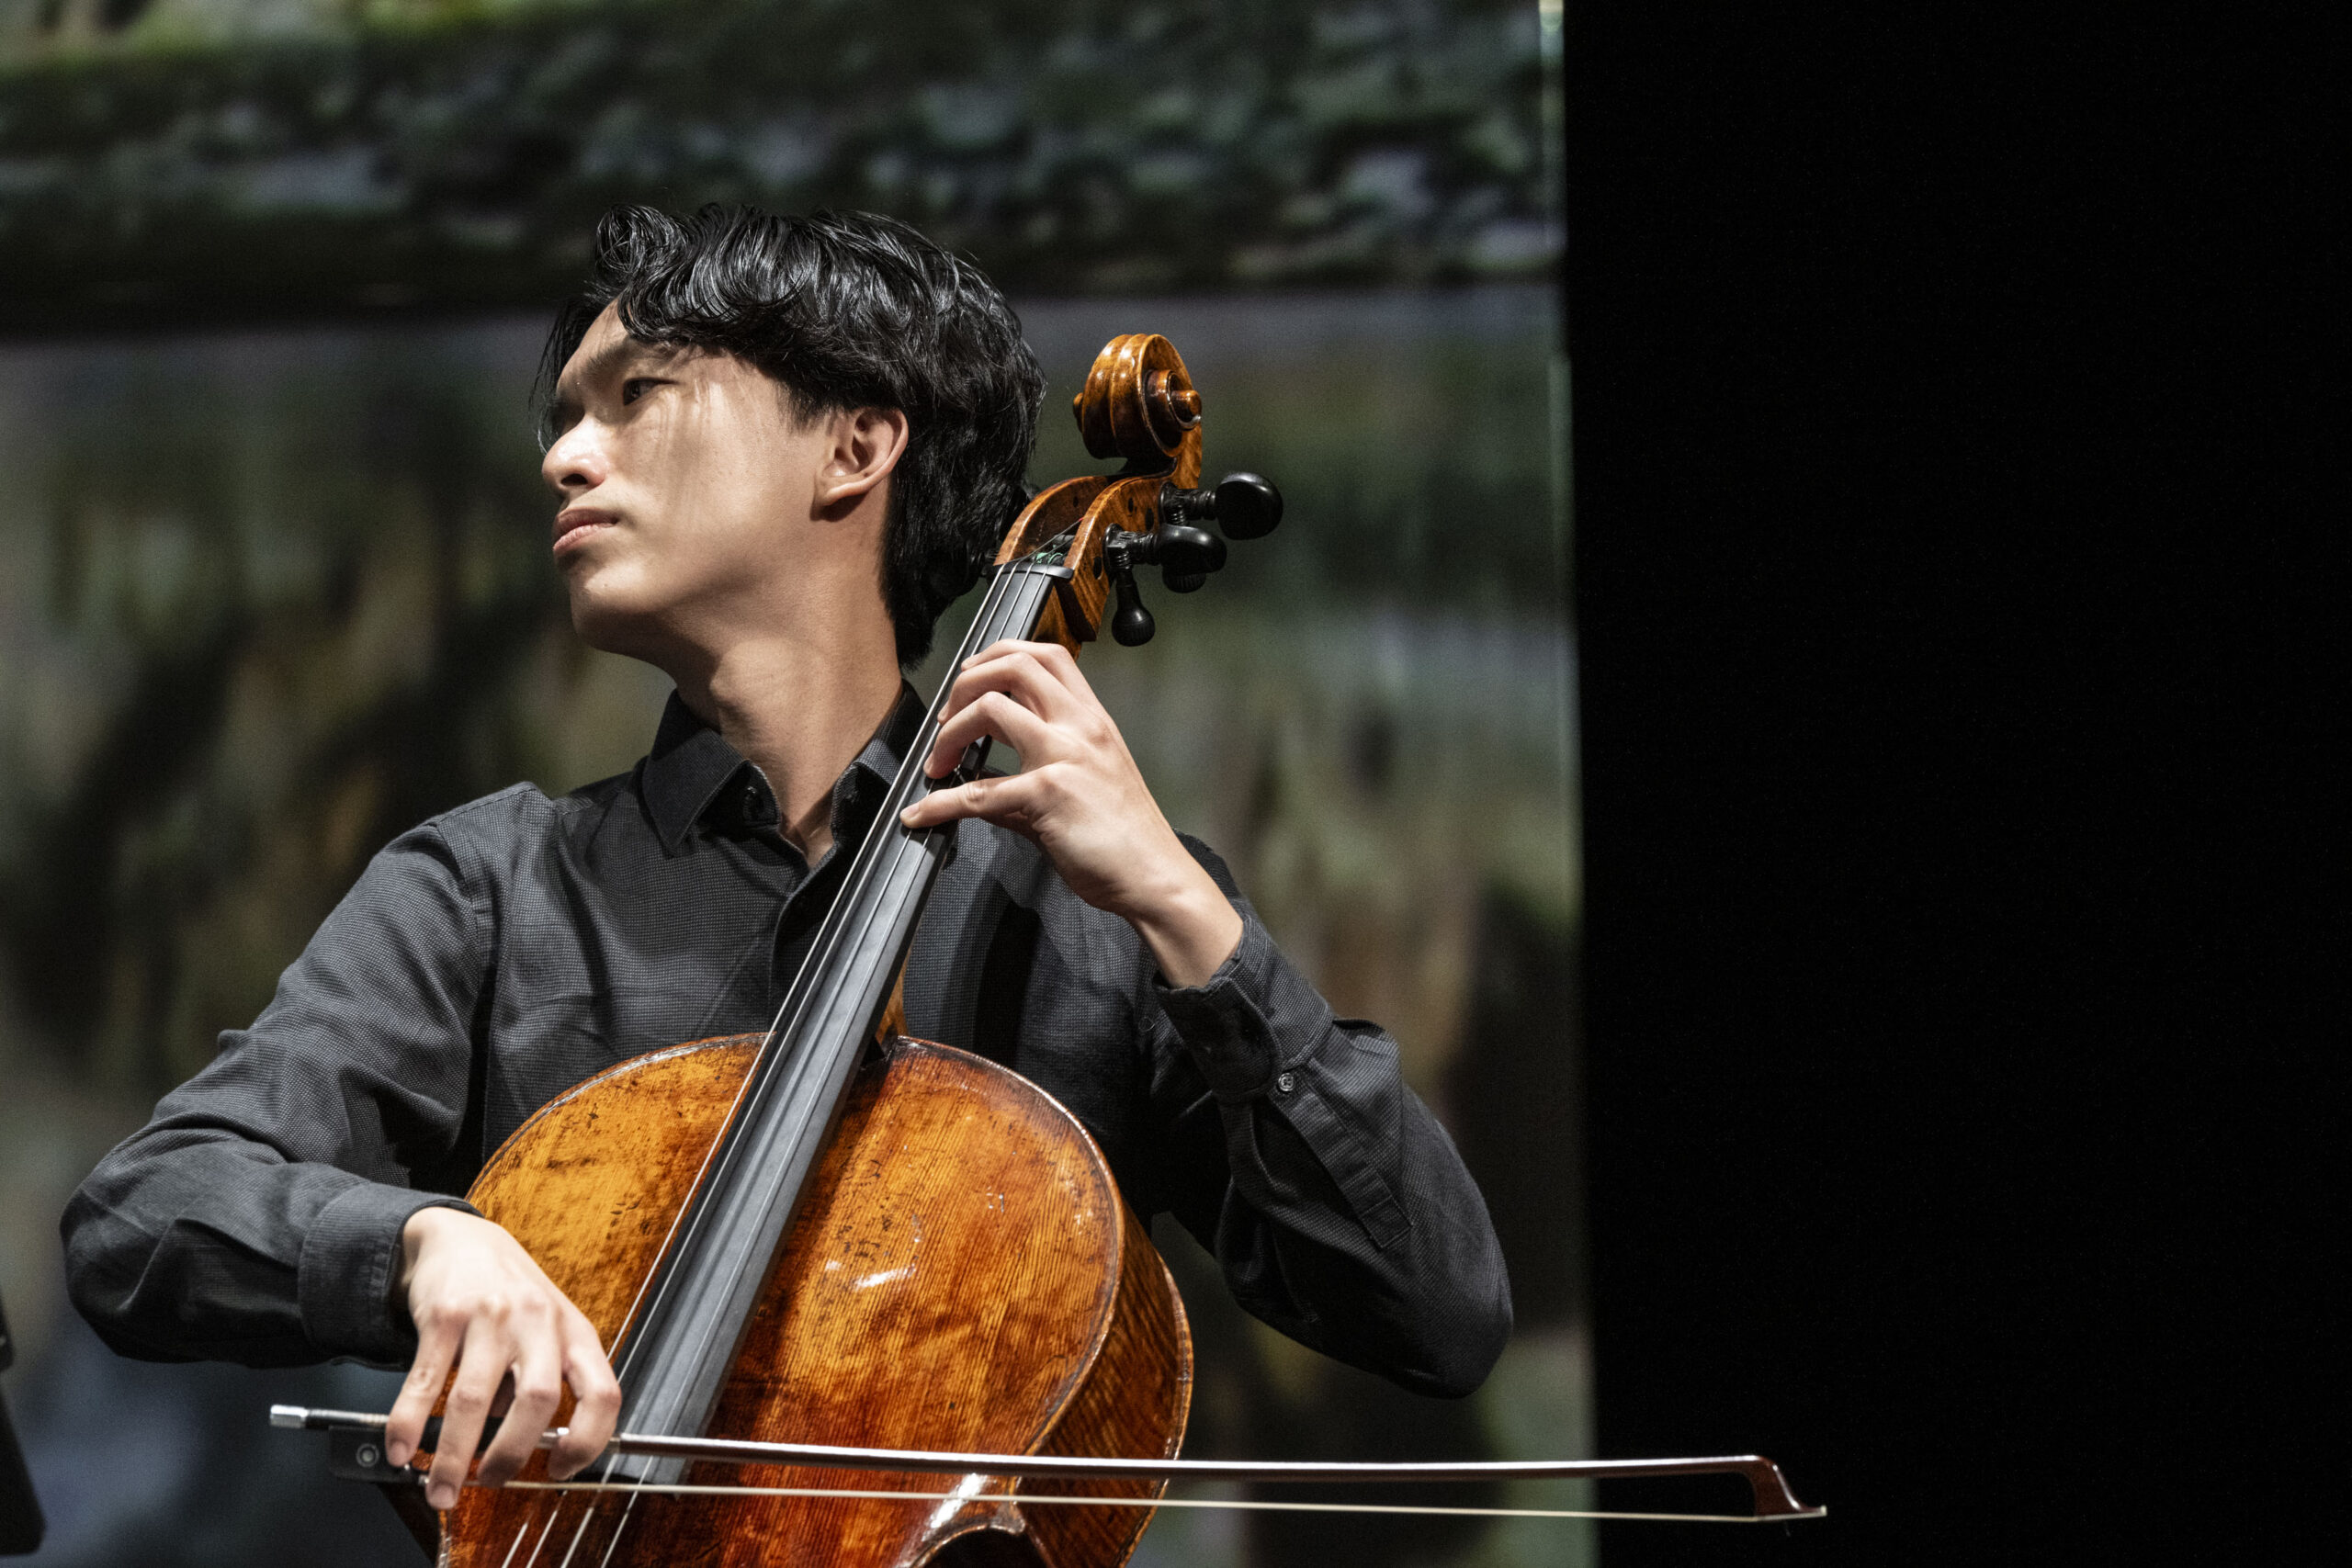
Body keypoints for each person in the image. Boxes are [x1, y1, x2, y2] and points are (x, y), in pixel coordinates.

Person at [62, 206, 1511, 1516]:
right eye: (566, 417)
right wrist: (427, 1243)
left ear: (855, 447)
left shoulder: (1094, 903)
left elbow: (1432, 1313)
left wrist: (1194, 926)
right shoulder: (492, 886)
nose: (566, 454)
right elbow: (145, 1212)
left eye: (637, 399)